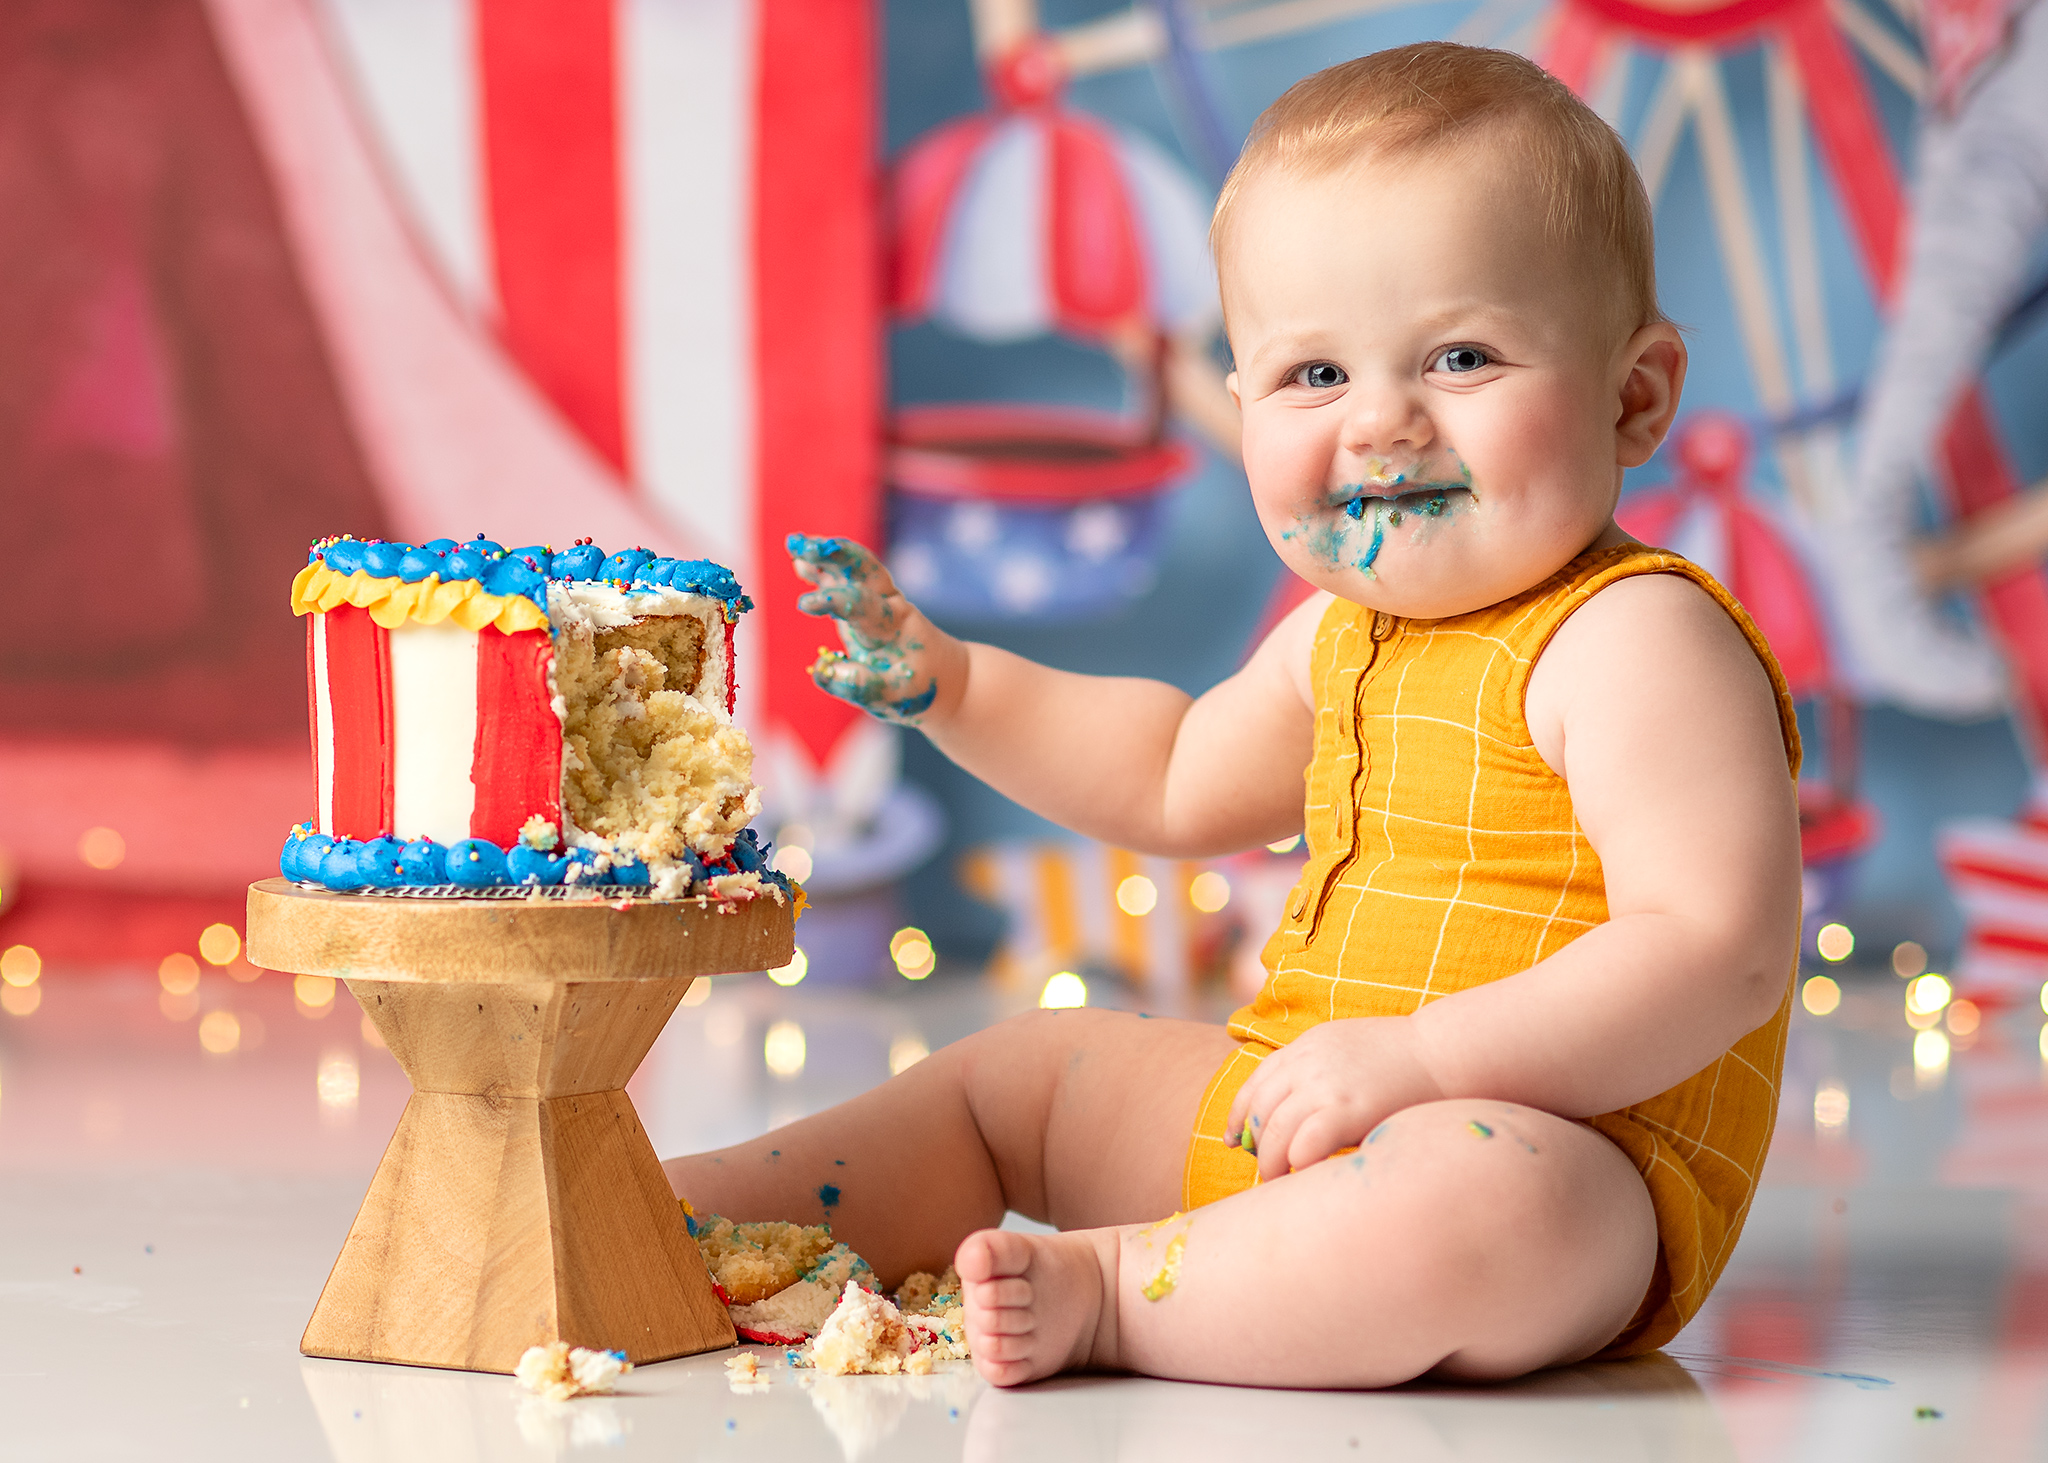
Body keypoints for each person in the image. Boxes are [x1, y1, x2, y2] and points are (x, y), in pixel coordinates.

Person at [662, 42, 1802, 1390]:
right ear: (1243, 396)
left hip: (1562, 1162)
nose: (1383, 423)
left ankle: (1122, 1301)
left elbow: (1718, 945)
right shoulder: (1344, 632)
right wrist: (958, 688)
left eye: (1461, 356)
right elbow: (1173, 777)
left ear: (1634, 396)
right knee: (1019, 1078)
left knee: (1482, 1202)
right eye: (1315, 375)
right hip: (1293, 1104)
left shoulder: (1633, 638)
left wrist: (1428, 1062)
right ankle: (684, 1220)